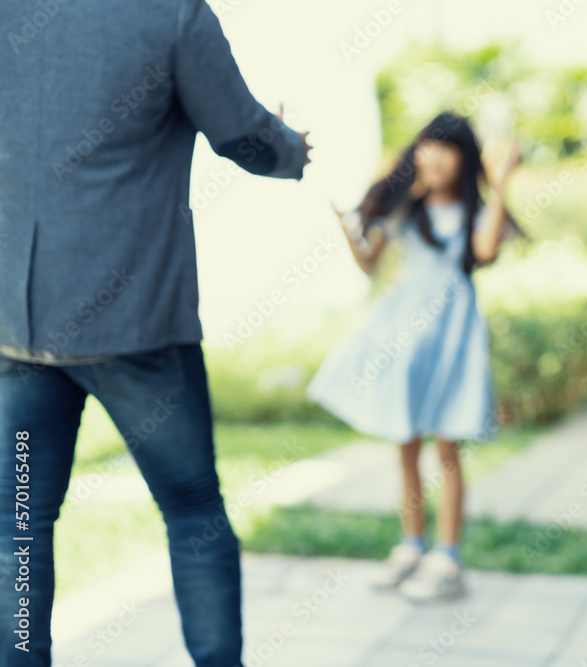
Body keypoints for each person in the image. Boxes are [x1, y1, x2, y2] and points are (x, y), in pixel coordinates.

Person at [0, 1, 312, 665]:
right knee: (194, 510)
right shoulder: (170, 14)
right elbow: (243, 135)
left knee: (18, 524)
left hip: (19, 330)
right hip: (136, 329)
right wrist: (292, 147)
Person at [306, 111, 522, 601]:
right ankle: (411, 544)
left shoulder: (473, 212)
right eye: (427, 145)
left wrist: (504, 180)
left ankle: (447, 555)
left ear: (463, 159)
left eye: (446, 147)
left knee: (447, 447)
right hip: (403, 333)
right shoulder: (404, 209)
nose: (433, 156)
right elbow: (369, 264)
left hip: (451, 335)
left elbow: (485, 251)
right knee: (405, 440)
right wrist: (346, 229)